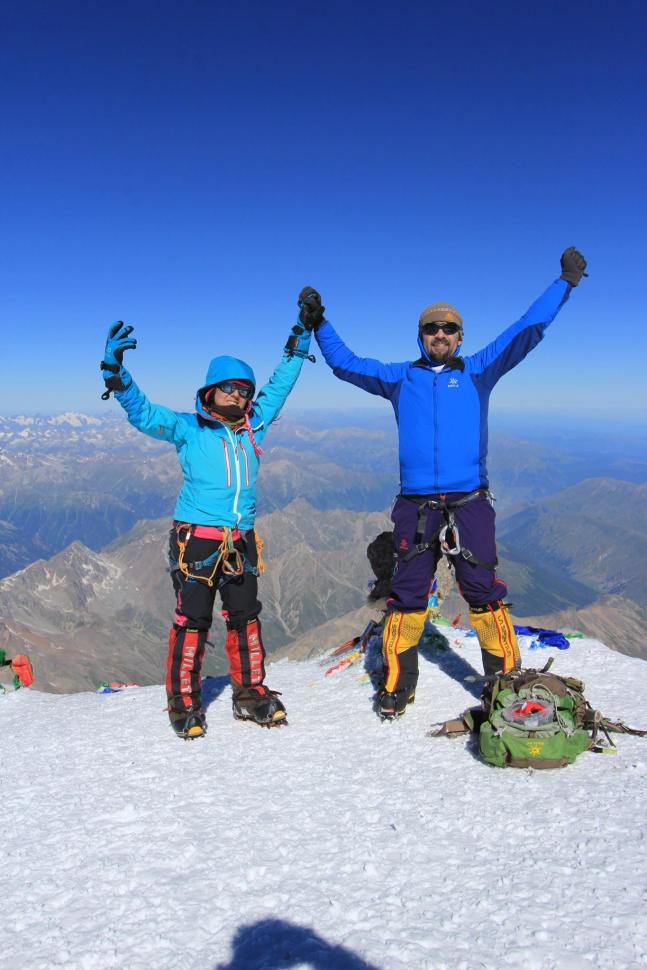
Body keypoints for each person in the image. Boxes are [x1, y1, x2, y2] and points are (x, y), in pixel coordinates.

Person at [298, 247, 588, 719]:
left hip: (470, 501)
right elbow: (345, 363)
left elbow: (526, 329)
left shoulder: (479, 369)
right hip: (415, 505)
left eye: (448, 328)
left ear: (459, 336)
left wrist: (564, 283)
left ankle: (504, 681)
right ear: (420, 335)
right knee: (408, 593)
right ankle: (397, 684)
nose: (439, 334)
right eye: (432, 328)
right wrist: (320, 324)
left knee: (483, 592)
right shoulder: (399, 378)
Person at [100, 307, 315, 738]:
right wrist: (115, 374)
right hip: (195, 542)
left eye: (243, 390)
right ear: (211, 390)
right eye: (229, 388)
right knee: (192, 620)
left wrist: (300, 343)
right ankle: (183, 703)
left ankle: (250, 693)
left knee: (245, 617)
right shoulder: (187, 428)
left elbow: (280, 387)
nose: (238, 395)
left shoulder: (254, 424)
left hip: (241, 541)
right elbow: (144, 414)